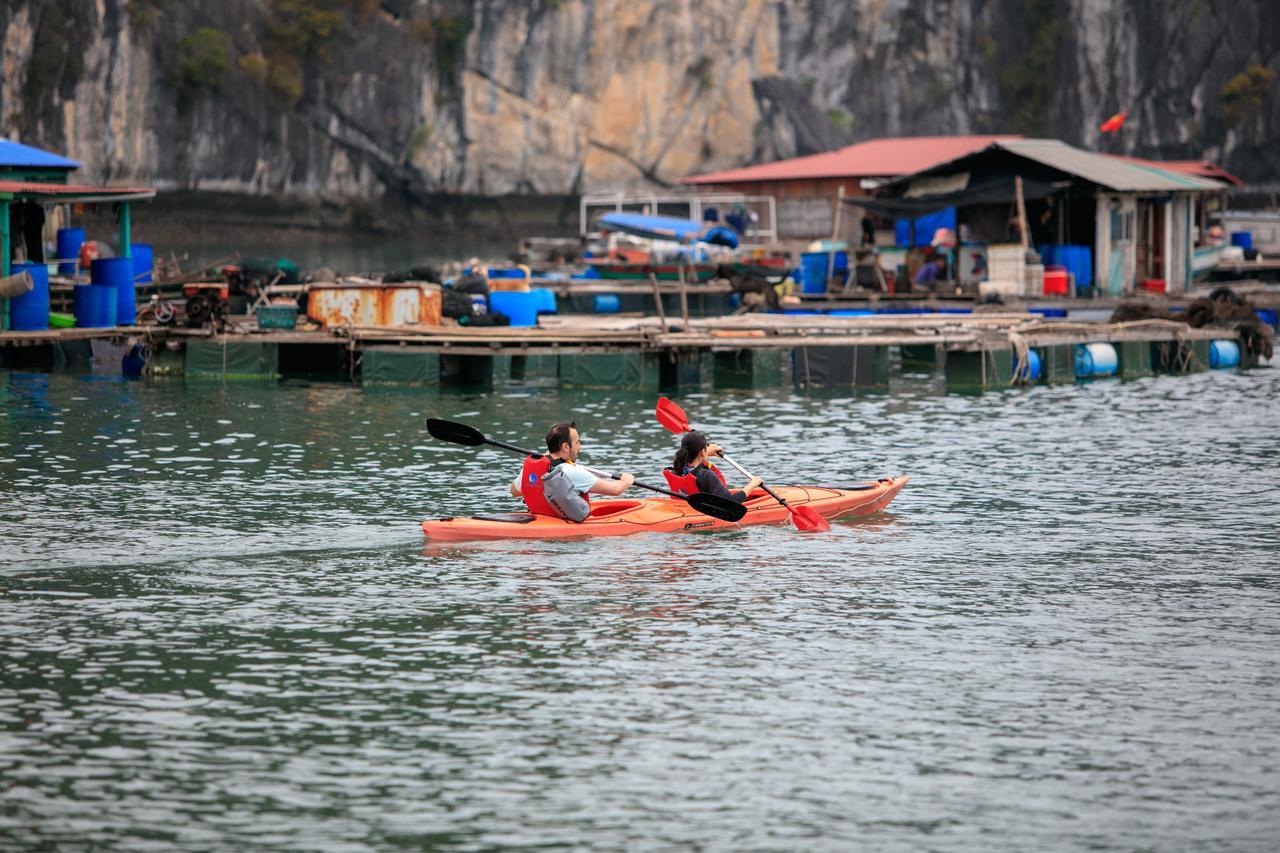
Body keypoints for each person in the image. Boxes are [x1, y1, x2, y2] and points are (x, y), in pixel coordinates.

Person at [510, 421, 634, 522]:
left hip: (539, 521)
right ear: (565, 446)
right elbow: (615, 490)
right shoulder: (573, 471)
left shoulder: (531, 467)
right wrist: (627, 480)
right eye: (577, 442)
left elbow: (514, 492)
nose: (580, 447)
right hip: (568, 531)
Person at [663, 431, 762, 503]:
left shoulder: (678, 469)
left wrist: (706, 453)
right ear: (702, 451)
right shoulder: (706, 475)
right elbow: (731, 502)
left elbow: (692, 465)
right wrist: (752, 485)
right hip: (703, 513)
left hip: (683, 509)